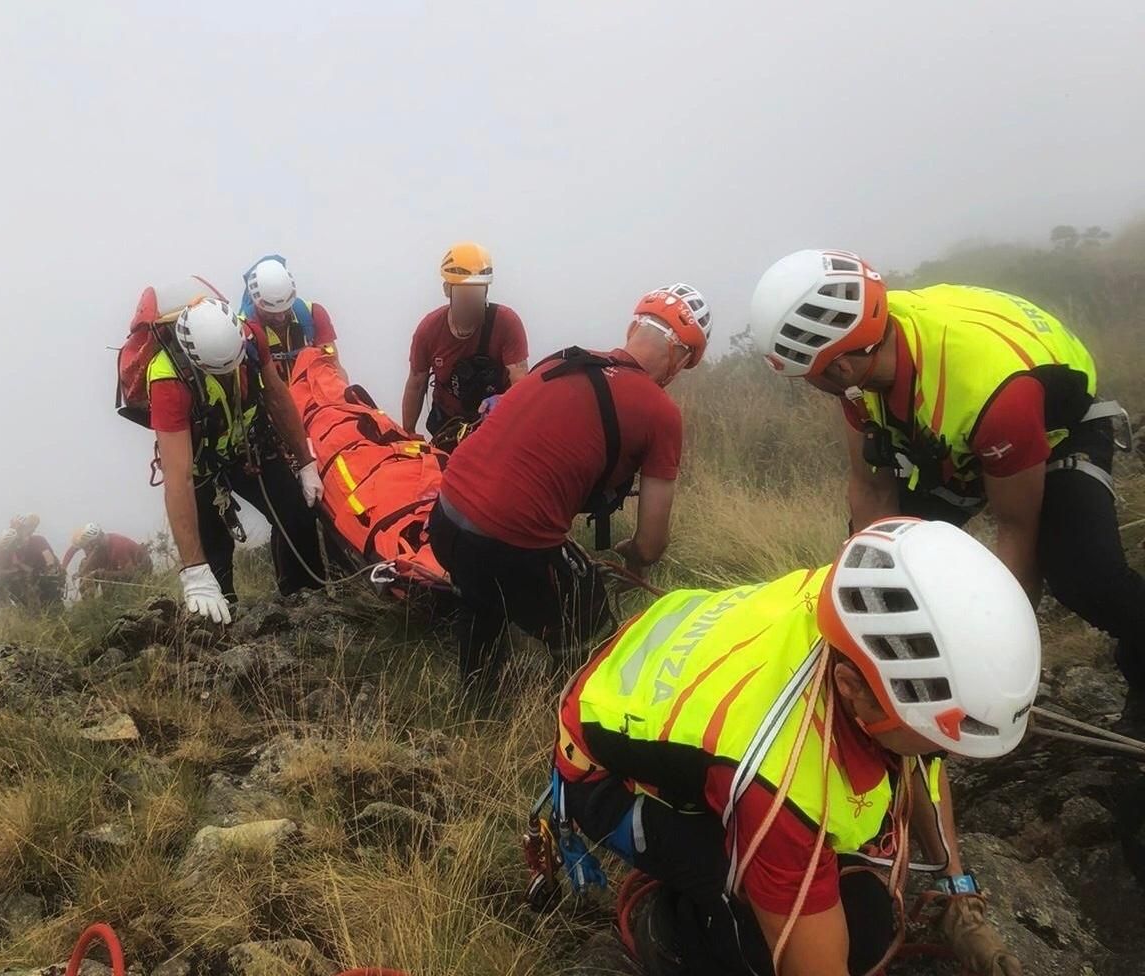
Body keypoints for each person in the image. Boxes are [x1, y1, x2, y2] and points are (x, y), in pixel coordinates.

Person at [556, 518, 1038, 976]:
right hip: (604, 771)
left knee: (854, 900)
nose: (943, 755)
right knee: (856, 934)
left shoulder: (861, 607)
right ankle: (673, 932)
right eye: (933, 736)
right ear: (852, 687)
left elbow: (921, 759)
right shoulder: (778, 778)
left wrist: (959, 898)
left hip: (664, 662)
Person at [748, 249, 1145, 692]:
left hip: (1048, 426)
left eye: (808, 376)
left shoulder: (991, 393)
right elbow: (871, 490)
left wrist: (1000, 670)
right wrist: (872, 600)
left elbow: (1016, 533)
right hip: (957, 432)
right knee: (896, 558)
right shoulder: (861, 355)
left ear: (840, 367)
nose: (809, 387)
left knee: (1085, 577)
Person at [427, 283, 712, 696]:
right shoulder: (661, 412)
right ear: (681, 358)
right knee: (590, 619)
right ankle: (571, 716)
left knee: (482, 597)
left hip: (444, 518)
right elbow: (651, 545)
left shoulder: (562, 360)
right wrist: (630, 553)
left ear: (633, 328)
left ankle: (477, 699)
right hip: (509, 545)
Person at [148, 297, 326, 624]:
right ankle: (220, 631)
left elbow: (276, 395)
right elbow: (179, 479)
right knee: (214, 559)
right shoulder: (167, 380)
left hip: (248, 448)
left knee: (297, 516)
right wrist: (193, 570)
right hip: (201, 467)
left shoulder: (250, 336)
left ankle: (307, 606)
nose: (231, 372)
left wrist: (305, 462)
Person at [401, 241, 529, 439]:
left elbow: (520, 380)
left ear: (486, 291)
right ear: (447, 290)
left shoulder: (505, 323)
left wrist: (504, 401)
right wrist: (407, 432)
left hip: (494, 422)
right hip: (448, 424)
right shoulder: (429, 330)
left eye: (476, 294)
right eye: (463, 294)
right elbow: (417, 382)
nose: (470, 303)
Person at [238, 255, 347, 384]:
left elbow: (334, 367)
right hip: (272, 401)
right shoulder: (243, 331)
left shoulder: (312, 314)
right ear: (257, 303)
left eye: (286, 309)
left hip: (313, 399)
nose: (280, 318)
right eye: (271, 313)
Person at [62, 522, 152, 598]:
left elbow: (128, 574)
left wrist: (101, 574)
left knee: (108, 580)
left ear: (95, 541)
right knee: (88, 569)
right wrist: (82, 572)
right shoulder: (101, 543)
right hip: (117, 564)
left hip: (140, 569)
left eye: (89, 546)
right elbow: (92, 556)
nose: (88, 550)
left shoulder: (119, 547)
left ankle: (112, 600)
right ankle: (89, 602)